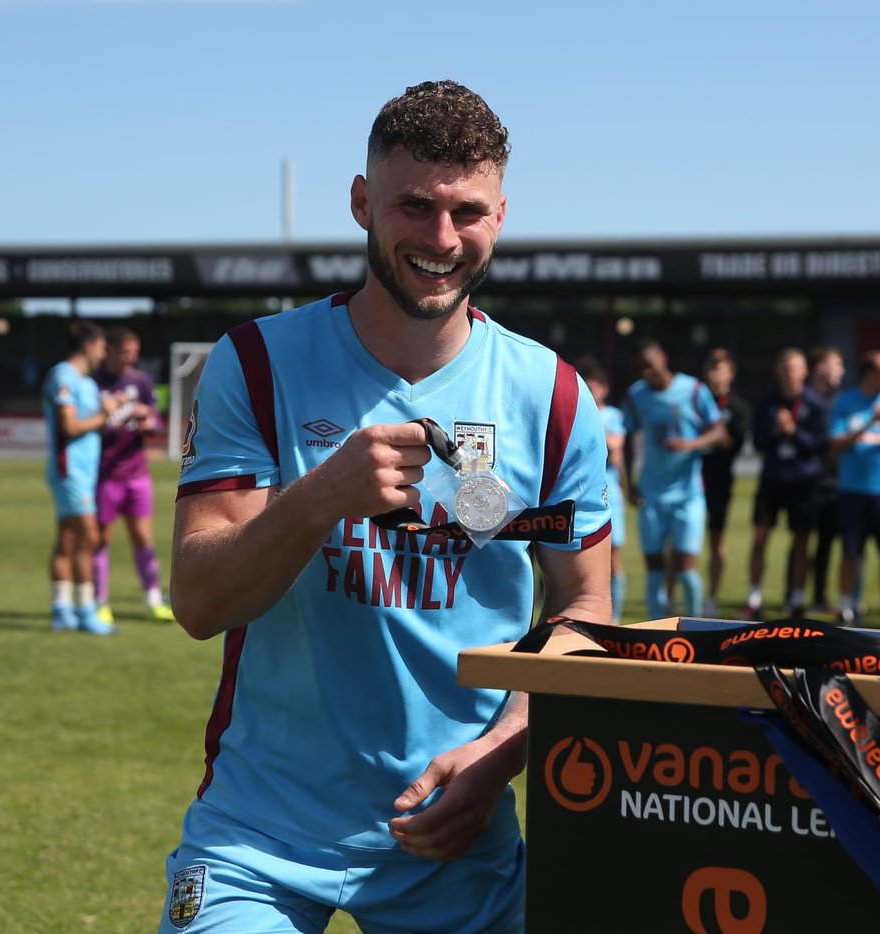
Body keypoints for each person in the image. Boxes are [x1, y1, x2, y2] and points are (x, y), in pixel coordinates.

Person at [158, 81, 611, 934]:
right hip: (261, 836)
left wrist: (503, 751)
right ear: (363, 202)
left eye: (467, 212)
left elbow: (584, 605)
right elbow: (199, 602)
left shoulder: (551, 395)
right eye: (415, 205)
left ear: (501, 216)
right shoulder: (257, 362)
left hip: (456, 830)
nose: (442, 239)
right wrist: (320, 497)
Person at [623, 339, 726, 620]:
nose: (648, 373)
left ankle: (693, 624)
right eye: (641, 369)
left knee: (685, 567)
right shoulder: (636, 395)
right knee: (654, 567)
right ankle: (656, 627)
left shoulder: (693, 390)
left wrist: (690, 445)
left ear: (664, 358)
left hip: (688, 494)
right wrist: (630, 483)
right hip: (651, 494)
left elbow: (719, 433)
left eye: (651, 366)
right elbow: (629, 437)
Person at [43, 321, 120, 635]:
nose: (104, 353)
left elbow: (92, 424)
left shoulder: (87, 383)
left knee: (69, 538)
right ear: (88, 345)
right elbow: (70, 426)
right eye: (102, 346)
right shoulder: (63, 376)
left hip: (86, 472)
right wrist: (103, 415)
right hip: (69, 469)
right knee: (90, 536)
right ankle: (87, 609)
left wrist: (110, 411)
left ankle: (62, 609)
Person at [93, 326, 173, 624]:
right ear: (110, 350)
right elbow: (87, 426)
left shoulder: (139, 381)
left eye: (134, 352)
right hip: (104, 475)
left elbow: (155, 422)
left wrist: (146, 422)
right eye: (126, 351)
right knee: (101, 538)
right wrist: (107, 419)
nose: (131, 357)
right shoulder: (94, 383)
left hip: (137, 474)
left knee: (143, 537)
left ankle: (153, 600)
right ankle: (100, 602)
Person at [828, 350, 880, 629]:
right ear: (870, 374)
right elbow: (836, 443)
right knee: (851, 552)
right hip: (853, 489)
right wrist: (867, 423)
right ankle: (846, 607)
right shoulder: (846, 401)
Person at [743, 347, 827, 620]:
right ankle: (754, 598)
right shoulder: (767, 402)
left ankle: (796, 600)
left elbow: (819, 446)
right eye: (785, 367)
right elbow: (757, 443)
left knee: (802, 542)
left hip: (804, 482)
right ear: (778, 371)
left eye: (795, 367)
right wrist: (776, 432)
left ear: (804, 371)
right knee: (760, 539)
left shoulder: (815, 403)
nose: (790, 373)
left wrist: (794, 431)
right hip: (772, 480)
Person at [699, 347, 751, 617]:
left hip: (720, 481)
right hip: (691, 480)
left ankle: (711, 598)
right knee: (682, 544)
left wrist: (714, 433)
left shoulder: (737, 408)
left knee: (716, 540)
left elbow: (734, 445)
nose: (714, 375)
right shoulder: (694, 401)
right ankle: (669, 598)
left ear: (730, 373)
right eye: (710, 369)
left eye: (719, 370)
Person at [578, 356, 627, 625]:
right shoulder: (577, 411)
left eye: (595, 385)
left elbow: (615, 447)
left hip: (610, 494)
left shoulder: (613, 415)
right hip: (581, 493)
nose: (590, 389)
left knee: (613, 557)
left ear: (604, 389)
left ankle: (615, 615)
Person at [806, 346, 845, 611]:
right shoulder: (807, 400)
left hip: (835, 482)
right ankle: (794, 596)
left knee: (831, 543)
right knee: (802, 541)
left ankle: (823, 596)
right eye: (837, 364)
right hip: (809, 482)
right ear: (821, 368)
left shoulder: (840, 400)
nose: (841, 370)